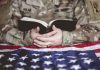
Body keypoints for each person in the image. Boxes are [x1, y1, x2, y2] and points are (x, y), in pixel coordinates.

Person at [0, 0, 100, 47]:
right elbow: (1, 29)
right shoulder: (16, 1)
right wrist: (25, 37)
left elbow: (97, 28)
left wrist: (66, 37)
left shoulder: (79, 1)